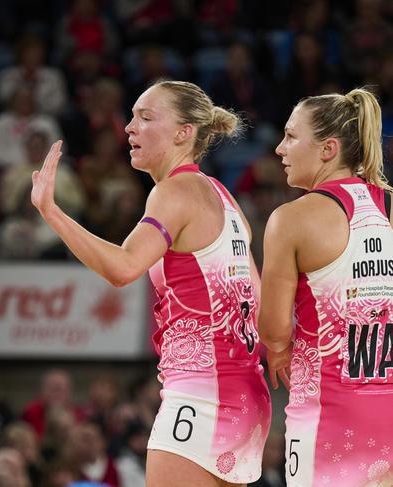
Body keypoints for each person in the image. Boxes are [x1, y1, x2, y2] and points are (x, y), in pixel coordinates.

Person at [31, 80, 271, 486]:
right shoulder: (225, 199)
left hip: (200, 396)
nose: (128, 128)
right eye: (131, 117)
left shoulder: (173, 192)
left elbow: (124, 267)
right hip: (246, 396)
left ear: (184, 133)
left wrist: (51, 212)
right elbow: (258, 303)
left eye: (145, 117)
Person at [259, 88, 393, 486]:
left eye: (291, 136)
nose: (280, 148)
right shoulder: (389, 205)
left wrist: (278, 349)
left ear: (328, 149)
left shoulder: (292, 219)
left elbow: (273, 329)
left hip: (331, 414)